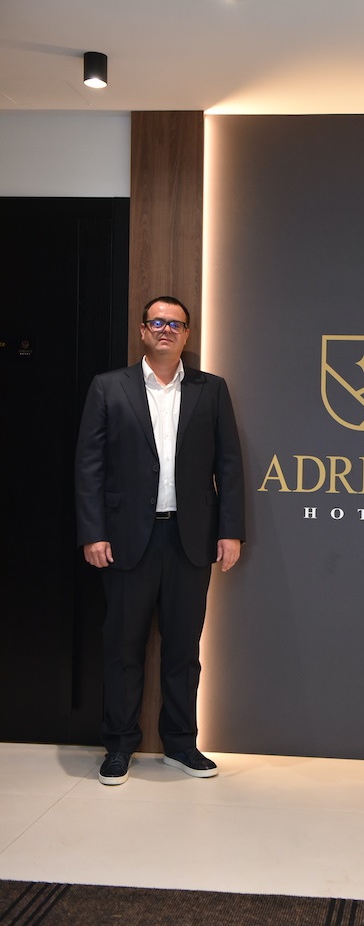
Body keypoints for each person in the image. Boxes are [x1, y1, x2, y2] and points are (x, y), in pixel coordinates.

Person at [75, 296, 245, 786]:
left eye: (176, 323)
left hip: (190, 539)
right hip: (126, 538)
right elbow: (89, 467)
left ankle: (181, 744)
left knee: (183, 649)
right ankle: (118, 746)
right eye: (157, 322)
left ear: (187, 334)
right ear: (143, 330)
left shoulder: (212, 390)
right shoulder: (109, 387)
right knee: (122, 647)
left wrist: (230, 530)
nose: (166, 329)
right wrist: (93, 532)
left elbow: (229, 465)